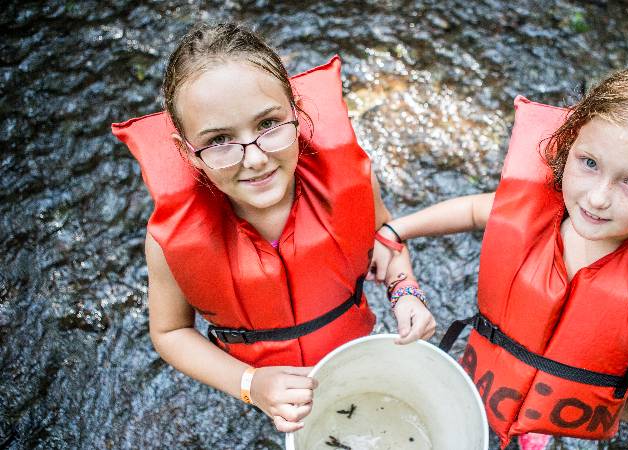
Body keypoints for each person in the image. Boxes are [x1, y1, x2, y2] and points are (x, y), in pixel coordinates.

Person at [371, 68, 628, 447]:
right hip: (490, 376)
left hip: (560, 409)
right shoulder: (534, 214)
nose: (598, 198)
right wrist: (397, 229)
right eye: (589, 163)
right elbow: (472, 210)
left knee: (533, 436)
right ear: (570, 144)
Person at [112, 22, 435, 433]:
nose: (256, 158)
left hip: (354, 354)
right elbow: (171, 331)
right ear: (187, 153)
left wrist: (405, 291)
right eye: (219, 140)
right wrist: (251, 385)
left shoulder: (351, 182)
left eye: (268, 125)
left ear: (296, 113)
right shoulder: (168, 243)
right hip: (263, 385)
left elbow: (386, 240)